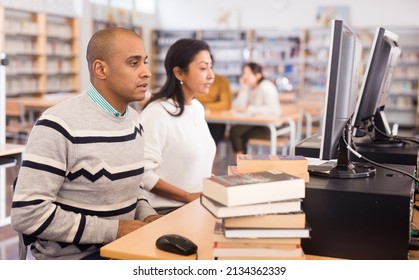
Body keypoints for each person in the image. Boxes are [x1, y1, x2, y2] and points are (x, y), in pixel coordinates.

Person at [10, 27, 161, 260]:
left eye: (145, 62)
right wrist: (115, 229)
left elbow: (131, 189)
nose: (146, 72)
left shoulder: (134, 121)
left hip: (124, 247)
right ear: (101, 69)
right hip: (74, 260)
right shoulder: (58, 124)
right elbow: (28, 214)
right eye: (134, 63)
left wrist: (147, 215)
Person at [139, 38, 217, 215]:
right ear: (179, 73)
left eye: (211, 67)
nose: (211, 75)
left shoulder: (196, 108)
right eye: (203, 68)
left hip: (200, 205)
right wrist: (188, 197)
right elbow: (142, 174)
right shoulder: (157, 113)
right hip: (168, 211)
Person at [229, 62, 281, 154]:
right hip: (256, 123)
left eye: (248, 73)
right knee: (235, 132)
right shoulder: (249, 87)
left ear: (258, 75)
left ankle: (241, 164)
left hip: (269, 126)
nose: (245, 76)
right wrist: (244, 88)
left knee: (237, 133)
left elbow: (274, 110)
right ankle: (242, 164)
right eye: (244, 73)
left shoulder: (266, 86)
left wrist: (250, 109)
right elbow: (237, 106)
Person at [195, 72, 232, 145]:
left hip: (215, 121)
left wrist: (205, 106)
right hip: (196, 119)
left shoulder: (221, 80)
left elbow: (226, 104)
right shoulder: (190, 80)